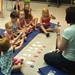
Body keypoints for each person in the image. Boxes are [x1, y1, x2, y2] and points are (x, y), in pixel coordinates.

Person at [44, 6, 75, 74]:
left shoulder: (68, 31)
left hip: (69, 61)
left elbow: (61, 48)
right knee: (56, 52)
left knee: (46, 57)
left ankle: (66, 69)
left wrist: (58, 34)